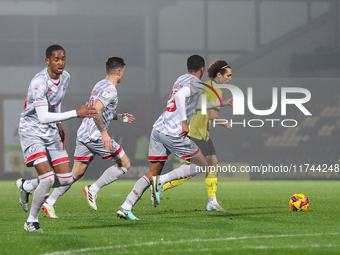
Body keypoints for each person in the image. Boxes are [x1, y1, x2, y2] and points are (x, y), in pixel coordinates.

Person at [116, 55, 233, 220]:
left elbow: (195, 105)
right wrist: (184, 123)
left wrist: (222, 103)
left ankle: (126, 206)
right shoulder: (196, 83)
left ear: (187, 69)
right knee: (201, 164)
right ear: (202, 69)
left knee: (152, 172)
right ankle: (162, 181)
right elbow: (180, 98)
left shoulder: (181, 79)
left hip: (158, 129)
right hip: (174, 132)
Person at [17, 57, 135, 219]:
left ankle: (37, 192)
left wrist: (120, 117)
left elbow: (98, 110)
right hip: (95, 136)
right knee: (125, 164)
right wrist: (104, 133)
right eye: (123, 73)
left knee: (74, 174)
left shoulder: (99, 84)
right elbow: (97, 109)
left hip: (84, 133)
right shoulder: (111, 90)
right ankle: (93, 189)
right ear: (119, 71)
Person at [16, 44, 96, 232]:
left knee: (67, 179)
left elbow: (56, 102)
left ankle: (27, 186)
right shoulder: (39, 82)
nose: (61, 63)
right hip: (32, 130)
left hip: (50, 130)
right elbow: (43, 117)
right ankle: (31, 221)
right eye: (56, 59)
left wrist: (59, 123)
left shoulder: (65, 77)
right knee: (48, 179)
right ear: (48, 61)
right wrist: (76, 113)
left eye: (63, 58)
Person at [161, 59, 233, 212]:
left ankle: (212, 201)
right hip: (197, 133)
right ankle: (162, 185)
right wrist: (225, 123)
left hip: (199, 132)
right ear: (219, 74)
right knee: (198, 167)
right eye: (228, 75)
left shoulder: (203, 85)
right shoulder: (215, 90)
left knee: (211, 164)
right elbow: (212, 114)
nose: (230, 78)